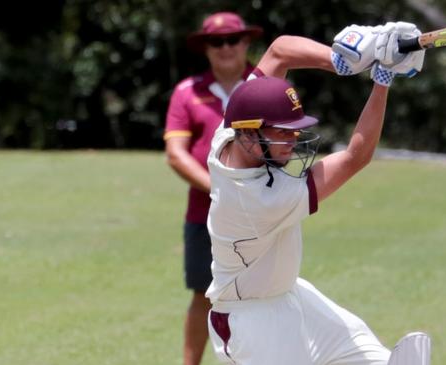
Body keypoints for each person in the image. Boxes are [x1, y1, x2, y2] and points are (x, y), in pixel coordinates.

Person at [205, 22, 431, 365]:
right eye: (283, 133)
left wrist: (345, 61)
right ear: (250, 136)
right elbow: (356, 157)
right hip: (249, 323)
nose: (294, 141)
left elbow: (280, 50)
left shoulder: (228, 135)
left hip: (293, 296)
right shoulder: (261, 200)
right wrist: (382, 80)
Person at [163, 11, 263, 365]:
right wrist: (220, 188)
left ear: (246, 42)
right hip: (204, 215)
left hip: (262, 212)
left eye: (232, 40)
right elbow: (176, 154)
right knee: (203, 297)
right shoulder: (187, 92)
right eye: (216, 42)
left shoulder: (264, 86)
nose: (225, 48)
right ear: (206, 48)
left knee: (262, 296)